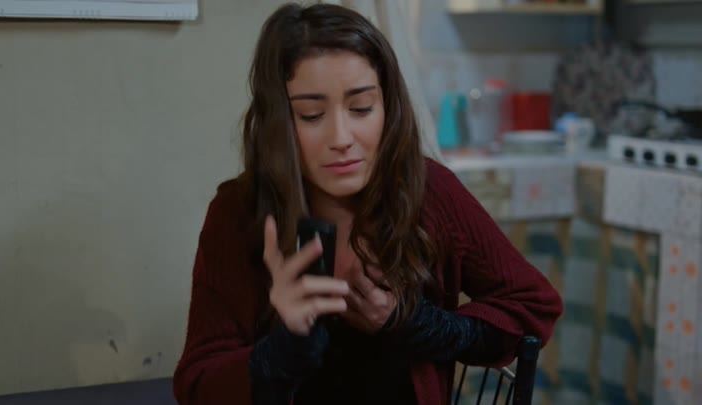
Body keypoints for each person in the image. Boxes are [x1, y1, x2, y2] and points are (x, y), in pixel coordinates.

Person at [172, 3, 563, 405]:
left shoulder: (429, 191)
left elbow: (535, 306)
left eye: (361, 108)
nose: (341, 138)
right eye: (311, 114)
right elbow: (196, 384)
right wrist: (285, 348)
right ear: (278, 122)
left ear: (387, 107)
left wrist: (415, 323)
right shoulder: (238, 212)